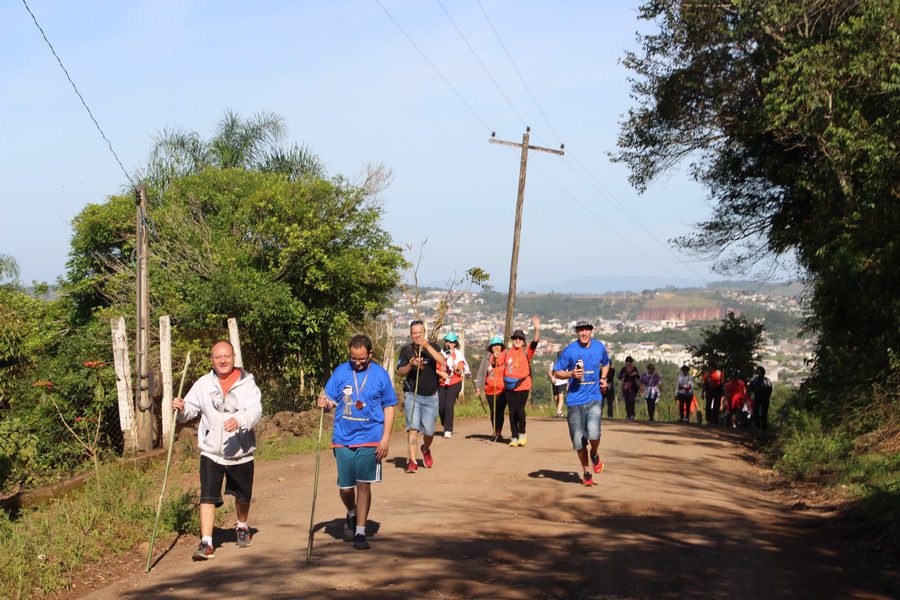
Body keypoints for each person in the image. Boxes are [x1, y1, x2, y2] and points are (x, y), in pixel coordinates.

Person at [173, 340, 262, 561]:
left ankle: (241, 525)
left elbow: (256, 411)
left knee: (243, 496)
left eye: (227, 356)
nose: (222, 360)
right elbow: (190, 410)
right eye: (217, 357)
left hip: (240, 452)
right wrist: (182, 408)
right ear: (211, 361)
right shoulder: (203, 384)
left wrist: (240, 420)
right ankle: (207, 542)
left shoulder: (247, 384)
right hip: (211, 452)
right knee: (207, 497)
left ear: (233, 358)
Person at [317, 335, 396, 550]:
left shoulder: (380, 375)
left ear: (370, 354)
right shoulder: (341, 371)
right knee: (345, 487)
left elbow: (389, 406)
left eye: (361, 359)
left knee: (363, 484)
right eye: (353, 358)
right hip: (343, 437)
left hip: (371, 437)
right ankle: (351, 512)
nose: (357, 362)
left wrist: (385, 438)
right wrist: (325, 403)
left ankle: (360, 532)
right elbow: (331, 400)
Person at [553, 320, 610, 487]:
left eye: (587, 330)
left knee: (594, 434)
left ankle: (594, 453)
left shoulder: (599, 347)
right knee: (578, 440)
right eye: (581, 330)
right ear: (577, 332)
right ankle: (586, 471)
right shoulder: (570, 350)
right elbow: (557, 371)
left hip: (594, 398)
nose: (584, 333)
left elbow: (606, 363)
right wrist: (570, 373)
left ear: (592, 331)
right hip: (575, 401)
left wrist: (603, 379)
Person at [397, 320, 447, 473]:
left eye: (420, 333)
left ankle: (425, 448)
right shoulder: (406, 351)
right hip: (412, 394)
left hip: (431, 395)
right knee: (413, 427)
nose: (417, 336)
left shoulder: (434, 347)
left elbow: (442, 361)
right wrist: (411, 365)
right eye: (414, 333)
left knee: (430, 431)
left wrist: (426, 346)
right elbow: (400, 373)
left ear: (424, 332)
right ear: (411, 334)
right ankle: (412, 460)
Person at [504, 316, 540, 447]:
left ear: (524, 341)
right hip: (509, 385)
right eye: (516, 338)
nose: (518, 340)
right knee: (511, 412)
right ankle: (513, 437)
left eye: (520, 339)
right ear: (513, 340)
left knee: (519, 410)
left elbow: (535, 341)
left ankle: (522, 433)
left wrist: (536, 328)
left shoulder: (526, 350)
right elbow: (498, 362)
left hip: (523, 385)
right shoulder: (507, 351)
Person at [475, 335, 508, 441]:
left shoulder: (506, 355)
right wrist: (478, 387)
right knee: (493, 411)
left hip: (502, 389)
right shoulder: (487, 358)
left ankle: (498, 431)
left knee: (499, 410)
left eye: (498, 345)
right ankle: (495, 430)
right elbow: (481, 373)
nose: (496, 347)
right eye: (494, 345)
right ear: (491, 347)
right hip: (489, 389)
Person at [438, 332, 469, 439]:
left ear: (455, 344)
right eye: (447, 341)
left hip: (455, 383)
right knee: (441, 407)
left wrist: (456, 367)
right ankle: (444, 423)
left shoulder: (458, 355)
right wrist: (440, 373)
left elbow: (460, 369)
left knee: (448, 405)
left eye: (451, 342)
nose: (448, 344)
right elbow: (435, 368)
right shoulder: (440, 354)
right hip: (442, 383)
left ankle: (448, 429)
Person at [749, 366, 773, 431]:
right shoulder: (767, 380)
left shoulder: (757, 380)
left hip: (761, 399)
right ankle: (761, 427)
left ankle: (761, 427)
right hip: (762, 399)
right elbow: (770, 390)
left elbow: (751, 389)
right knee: (761, 413)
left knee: (761, 413)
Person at [548, 353, 568, 417]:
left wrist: (568, 383)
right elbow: (549, 371)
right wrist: (552, 377)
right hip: (555, 383)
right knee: (556, 398)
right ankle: (559, 411)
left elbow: (568, 373)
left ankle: (558, 412)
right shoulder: (553, 363)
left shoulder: (566, 363)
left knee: (561, 397)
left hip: (563, 382)